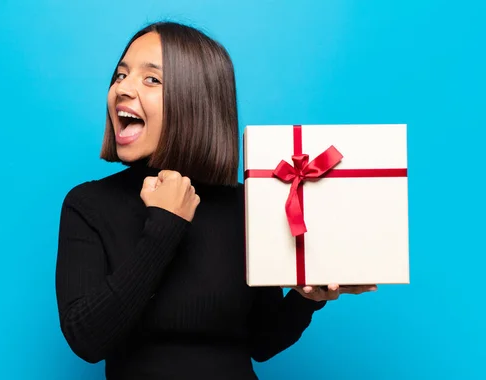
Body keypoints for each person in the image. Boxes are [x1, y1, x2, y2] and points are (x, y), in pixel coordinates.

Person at [55, 21, 376, 379]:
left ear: (195, 99)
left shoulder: (248, 205)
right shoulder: (88, 204)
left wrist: (305, 301)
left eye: (151, 80)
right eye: (120, 76)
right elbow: (87, 339)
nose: (122, 90)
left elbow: (261, 343)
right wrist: (164, 226)